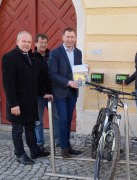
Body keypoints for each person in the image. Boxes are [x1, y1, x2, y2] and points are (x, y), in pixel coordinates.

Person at [2, 31, 50, 165]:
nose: (26, 44)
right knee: (18, 130)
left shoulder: (32, 56)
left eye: (29, 42)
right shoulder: (9, 57)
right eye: (24, 41)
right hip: (17, 103)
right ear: (17, 41)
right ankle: (20, 154)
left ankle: (35, 150)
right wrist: (13, 104)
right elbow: (8, 83)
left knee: (30, 128)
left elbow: (37, 79)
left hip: (30, 102)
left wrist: (44, 92)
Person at [49, 27, 83, 158]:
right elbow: (52, 74)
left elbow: (78, 71)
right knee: (63, 119)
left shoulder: (78, 53)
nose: (70, 39)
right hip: (60, 92)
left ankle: (67, 146)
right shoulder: (55, 52)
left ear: (75, 38)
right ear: (63, 37)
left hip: (73, 93)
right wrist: (67, 82)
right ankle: (63, 148)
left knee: (68, 120)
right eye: (67, 37)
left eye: (72, 37)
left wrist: (84, 70)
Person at [34, 34, 60, 150]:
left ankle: (58, 141)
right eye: (41, 42)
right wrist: (43, 92)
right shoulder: (32, 57)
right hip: (38, 95)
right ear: (36, 44)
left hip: (52, 94)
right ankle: (40, 142)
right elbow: (35, 78)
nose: (43, 45)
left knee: (56, 118)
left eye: (45, 42)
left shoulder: (52, 56)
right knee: (38, 120)